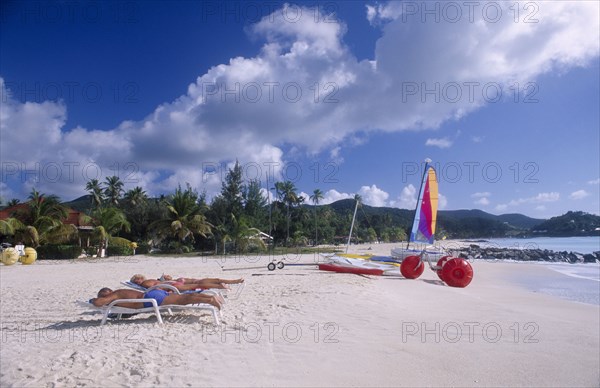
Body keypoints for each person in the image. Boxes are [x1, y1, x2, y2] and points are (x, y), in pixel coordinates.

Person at [91, 287, 223, 310]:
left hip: (149, 299)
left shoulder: (115, 295)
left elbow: (98, 303)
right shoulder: (120, 292)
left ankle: (210, 300)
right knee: (184, 297)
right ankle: (209, 297)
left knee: (182, 300)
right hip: (152, 295)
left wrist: (93, 300)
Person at [129, 274, 244, 291]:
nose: (138, 280)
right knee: (199, 284)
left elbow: (158, 283)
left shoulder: (149, 280)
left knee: (200, 282)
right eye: (135, 281)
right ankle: (221, 287)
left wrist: (164, 278)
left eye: (138, 278)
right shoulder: (145, 284)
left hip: (175, 282)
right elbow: (156, 288)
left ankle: (233, 281)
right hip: (174, 285)